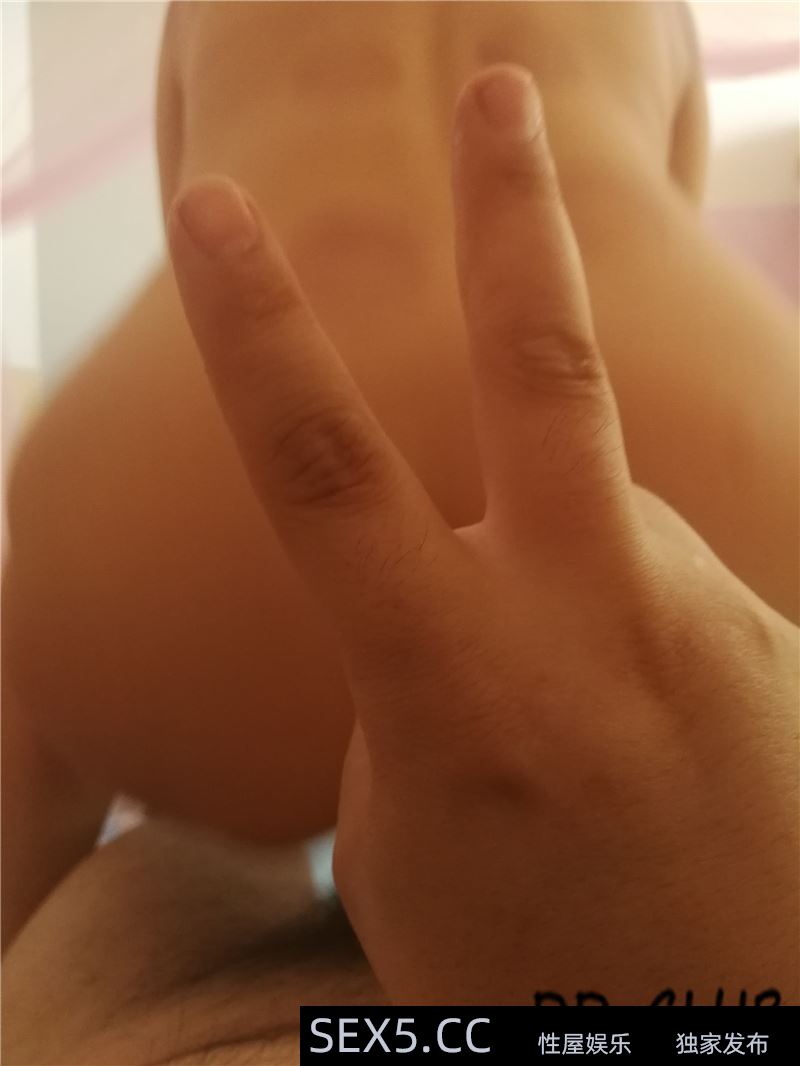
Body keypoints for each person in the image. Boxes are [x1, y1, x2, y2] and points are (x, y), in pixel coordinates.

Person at [2, 23, 798, 1066]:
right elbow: (672, 189)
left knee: (36, 687)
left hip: (214, 502)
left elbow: (196, 222)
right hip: (666, 438)